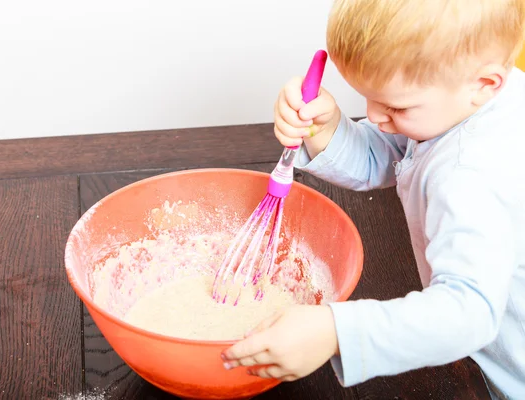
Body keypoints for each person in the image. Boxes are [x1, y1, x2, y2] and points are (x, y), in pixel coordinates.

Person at [220, 0, 525, 398]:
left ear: (485, 85)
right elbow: (393, 155)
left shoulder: (474, 175)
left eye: (396, 106)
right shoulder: (467, 97)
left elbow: (467, 315)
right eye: (367, 98)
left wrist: (335, 332)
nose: (374, 116)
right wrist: (326, 129)